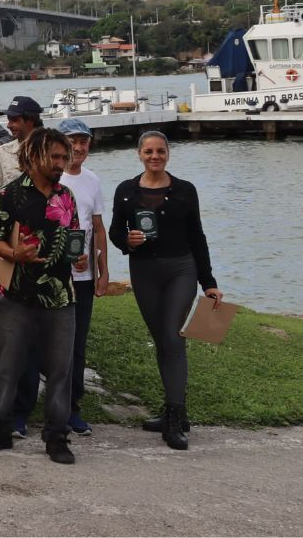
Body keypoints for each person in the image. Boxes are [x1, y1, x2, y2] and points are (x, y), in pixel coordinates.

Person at [0, 128, 82, 465]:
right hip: (16, 297)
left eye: (65, 158)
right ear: (34, 155)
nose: (61, 164)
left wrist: (78, 257)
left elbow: (74, 236)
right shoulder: (6, 196)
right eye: (55, 157)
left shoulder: (66, 196)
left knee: (60, 371)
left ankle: (56, 436)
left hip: (60, 297)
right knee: (8, 368)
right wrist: (14, 254)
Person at [109, 131, 221, 451]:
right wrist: (125, 242)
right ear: (139, 154)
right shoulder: (126, 191)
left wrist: (208, 282)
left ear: (168, 154)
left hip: (181, 270)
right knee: (163, 339)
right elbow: (116, 231)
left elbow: (197, 237)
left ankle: (173, 419)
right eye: (148, 151)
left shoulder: (185, 191)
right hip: (144, 272)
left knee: (172, 336)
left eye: (160, 151)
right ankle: (176, 408)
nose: (154, 156)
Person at [11, 118, 104, 439]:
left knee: (74, 349)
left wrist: (101, 270)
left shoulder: (91, 181)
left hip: (81, 278)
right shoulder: (34, 182)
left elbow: (96, 228)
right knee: (31, 347)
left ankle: (69, 410)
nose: (77, 148)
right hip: (39, 277)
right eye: (70, 142)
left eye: (83, 141)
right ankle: (21, 411)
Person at [0, 96, 46, 348]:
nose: (9, 125)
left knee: (44, 298)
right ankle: (12, 347)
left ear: (31, 120)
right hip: (9, 238)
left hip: (47, 237)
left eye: (15, 120)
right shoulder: (2, 154)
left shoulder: (53, 148)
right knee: (8, 296)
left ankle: (41, 354)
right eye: (8, 119)